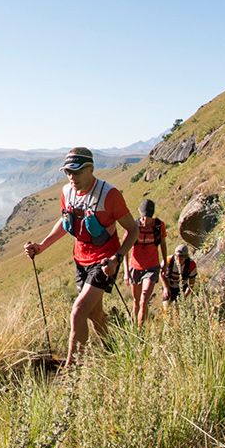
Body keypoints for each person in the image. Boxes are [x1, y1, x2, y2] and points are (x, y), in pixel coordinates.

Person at [25, 146, 138, 366]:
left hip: (104, 261)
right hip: (80, 259)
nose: (71, 177)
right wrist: (42, 246)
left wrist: (118, 258)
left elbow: (133, 229)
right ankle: (114, 350)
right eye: (68, 172)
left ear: (90, 169)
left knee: (78, 312)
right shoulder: (67, 192)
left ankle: (72, 372)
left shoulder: (109, 195)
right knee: (95, 315)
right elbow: (65, 221)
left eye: (76, 172)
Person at [126, 198, 167, 326]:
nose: (145, 221)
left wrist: (165, 261)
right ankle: (135, 326)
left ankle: (141, 331)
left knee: (144, 300)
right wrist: (126, 272)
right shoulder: (134, 227)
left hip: (152, 267)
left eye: (147, 218)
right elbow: (125, 248)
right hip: (135, 267)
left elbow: (163, 244)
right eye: (143, 217)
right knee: (136, 301)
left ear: (152, 216)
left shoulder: (159, 226)